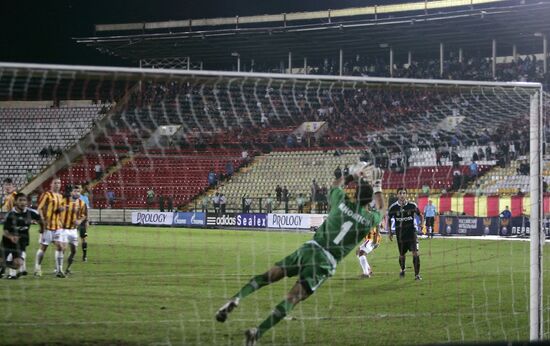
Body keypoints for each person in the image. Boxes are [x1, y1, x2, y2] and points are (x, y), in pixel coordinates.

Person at [215, 163, 384, 345]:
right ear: (368, 202)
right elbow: (382, 210)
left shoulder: (341, 201)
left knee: (267, 276)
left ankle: (236, 299)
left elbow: (335, 186)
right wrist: (378, 185)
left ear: (354, 193)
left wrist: (351, 175)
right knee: (292, 298)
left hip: (309, 248)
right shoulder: (368, 220)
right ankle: (256, 333)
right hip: (324, 262)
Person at [1, 193, 43, 279]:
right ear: (15, 202)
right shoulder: (10, 214)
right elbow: (5, 231)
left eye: (24, 200)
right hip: (7, 242)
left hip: (21, 242)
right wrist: (11, 237)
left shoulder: (31, 212)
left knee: (17, 265)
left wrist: (42, 229)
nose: (23, 202)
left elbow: (41, 220)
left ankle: (5, 265)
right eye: (20, 200)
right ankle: (3, 265)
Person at [388, 187, 423, 280]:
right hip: (400, 235)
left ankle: (417, 275)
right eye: (400, 193)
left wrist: (422, 224)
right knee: (402, 255)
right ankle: (403, 269)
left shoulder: (412, 205)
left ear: (406, 195)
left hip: (412, 234)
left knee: (415, 253)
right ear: (397, 195)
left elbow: (420, 215)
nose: (402, 195)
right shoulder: (393, 207)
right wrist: (390, 232)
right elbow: (388, 219)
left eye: (404, 193)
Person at [35, 177, 67, 278]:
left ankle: (59, 270)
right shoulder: (47, 195)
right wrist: (42, 220)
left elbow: (59, 209)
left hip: (57, 226)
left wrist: (61, 209)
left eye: (59, 183)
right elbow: (39, 208)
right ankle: (37, 268)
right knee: (44, 247)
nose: (58, 185)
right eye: (55, 183)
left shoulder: (61, 196)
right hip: (47, 226)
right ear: (51, 184)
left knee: (60, 246)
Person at [61, 184, 87, 275]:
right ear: (71, 192)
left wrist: (79, 221)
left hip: (73, 230)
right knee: (63, 248)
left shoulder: (81, 203)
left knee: (74, 251)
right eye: (75, 191)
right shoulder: (64, 201)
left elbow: (84, 215)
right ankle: (58, 269)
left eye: (78, 191)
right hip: (63, 229)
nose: (77, 193)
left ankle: (68, 268)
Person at [79, 188, 91, 262]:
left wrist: (87, 220)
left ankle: (84, 256)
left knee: (84, 238)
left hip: (83, 220)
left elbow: (87, 210)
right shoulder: (73, 197)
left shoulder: (85, 198)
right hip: (73, 220)